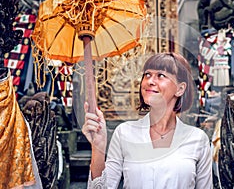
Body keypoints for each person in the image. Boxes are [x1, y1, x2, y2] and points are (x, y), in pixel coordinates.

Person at [82, 52, 213, 188]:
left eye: (160, 75)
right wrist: (98, 147)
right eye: (147, 75)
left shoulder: (198, 140)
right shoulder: (124, 133)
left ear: (180, 89)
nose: (150, 81)